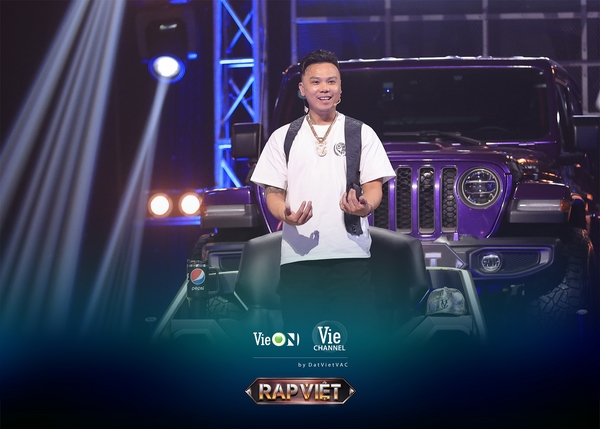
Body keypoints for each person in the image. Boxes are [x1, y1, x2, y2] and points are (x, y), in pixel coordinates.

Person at [250, 49, 395, 340]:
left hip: (351, 257)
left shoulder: (361, 133)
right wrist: (285, 214)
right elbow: (273, 192)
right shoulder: (283, 137)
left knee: (360, 344)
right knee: (304, 346)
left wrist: (364, 206)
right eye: (315, 82)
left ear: (340, 88)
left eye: (331, 81)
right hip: (298, 260)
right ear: (302, 89)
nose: (324, 88)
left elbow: (373, 187)